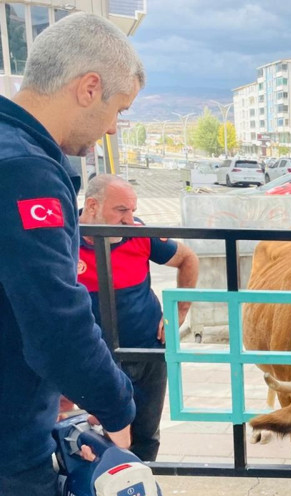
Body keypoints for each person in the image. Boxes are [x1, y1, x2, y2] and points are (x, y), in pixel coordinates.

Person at [0, 13, 145, 496]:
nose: (111, 127)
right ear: (88, 87)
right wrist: (117, 406)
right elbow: (58, 324)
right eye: (117, 109)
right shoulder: (28, 171)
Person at [75, 174, 199, 461]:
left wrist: (176, 314)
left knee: (146, 436)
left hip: (147, 351)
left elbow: (188, 259)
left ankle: (143, 492)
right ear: (92, 205)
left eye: (133, 211)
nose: (130, 220)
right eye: (121, 211)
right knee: (97, 440)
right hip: (94, 360)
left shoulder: (139, 233)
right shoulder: (64, 240)